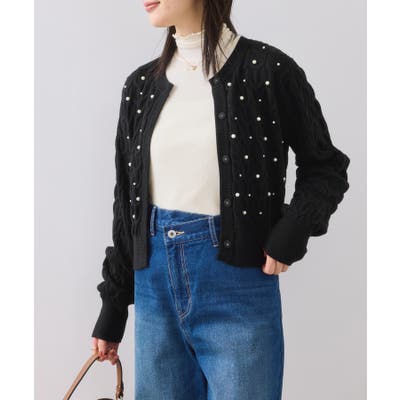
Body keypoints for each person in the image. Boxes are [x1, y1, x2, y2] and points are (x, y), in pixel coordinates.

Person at [90, 1, 351, 399]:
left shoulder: (269, 71)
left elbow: (325, 166)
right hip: (154, 297)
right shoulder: (140, 86)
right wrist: (113, 306)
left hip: (239, 290)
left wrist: (294, 229)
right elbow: (127, 206)